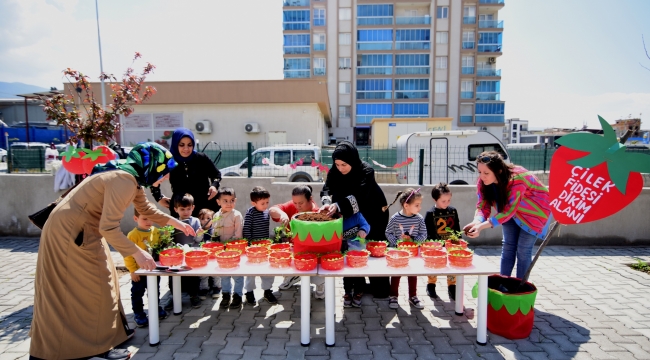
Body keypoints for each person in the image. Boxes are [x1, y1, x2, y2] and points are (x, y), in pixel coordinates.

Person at [29, 142, 196, 360]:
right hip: (71, 235)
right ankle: (85, 350)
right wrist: (138, 253)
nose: (164, 178)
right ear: (152, 165)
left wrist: (177, 223)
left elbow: (146, 209)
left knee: (104, 282)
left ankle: (102, 338)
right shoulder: (123, 180)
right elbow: (108, 228)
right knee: (92, 288)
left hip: (80, 232)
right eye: (163, 173)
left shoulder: (130, 179)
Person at [463, 151, 552, 280]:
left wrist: (481, 227)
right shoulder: (483, 181)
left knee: (523, 250)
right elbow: (483, 205)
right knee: (508, 246)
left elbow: (508, 212)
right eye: (479, 172)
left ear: (498, 171)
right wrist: (477, 221)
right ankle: (503, 282)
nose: (482, 177)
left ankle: (519, 286)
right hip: (509, 210)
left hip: (535, 213)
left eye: (486, 173)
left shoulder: (518, 179)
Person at [320, 141, 391, 299]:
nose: (340, 168)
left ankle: (379, 286)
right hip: (352, 216)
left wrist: (338, 206)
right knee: (354, 247)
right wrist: (327, 204)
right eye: (337, 164)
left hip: (373, 215)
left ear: (352, 160)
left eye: (344, 164)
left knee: (373, 248)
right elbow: (326, 189)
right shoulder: (334, 172)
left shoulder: (366, 171)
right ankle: (356, 286)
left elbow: (360, 196)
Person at [151, 128, 221, 218]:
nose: (186, 149)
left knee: (206, 231)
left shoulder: (201, 158)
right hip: (181, 208)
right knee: (180, 232)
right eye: (181, 145)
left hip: (204, 207)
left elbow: (216, 174)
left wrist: (214, 186)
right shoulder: (169, 161)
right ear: (176, 144)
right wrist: (158, 197)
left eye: (189, 145)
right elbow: (154, 180)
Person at [269, 185, 323, 297]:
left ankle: (321, 283)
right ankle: (293, 276)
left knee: (317, 267)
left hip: (312, 253)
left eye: (301, 203)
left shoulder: (317, 213)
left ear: (310, 199)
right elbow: (272, 210)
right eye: (295, 203)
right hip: (294, 250)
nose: (297, 206)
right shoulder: (293, 205)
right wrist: (282, 214)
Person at [125, 209, 169, 328]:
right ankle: (139, 313)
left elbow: (160, 245)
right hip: (140, 272)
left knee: (154, 290)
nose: (148, 221)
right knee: (137, 293)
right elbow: (128, 254)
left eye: (151, 218)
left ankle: (155, 308)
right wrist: (133, 271)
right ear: (136, 219)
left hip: (153, 270)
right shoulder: (132, 235)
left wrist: (166, 233)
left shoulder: (155, 231)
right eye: (144, 218)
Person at [385, 188, 427, 309]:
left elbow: (424, 234)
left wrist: (414, 241)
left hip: (413, 252)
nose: (420, 208)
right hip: (398, 253)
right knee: (396, 273)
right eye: (417, 205)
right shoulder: (395, 218)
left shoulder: (419, 219)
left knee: (413, 273)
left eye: (420, 205)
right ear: (406, 205)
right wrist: (397, 243)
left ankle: (413, 296)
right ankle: (393, 296)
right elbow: (388, 233)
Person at [423, 183, 459, 301]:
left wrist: (458, 241)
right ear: (435, 199)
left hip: (451, 246)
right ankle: (431, 285)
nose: (447, 203)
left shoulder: (453, 211)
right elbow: (426, 232)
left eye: (449, 200)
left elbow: (457, 228)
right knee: (434, 265)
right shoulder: (430, 213)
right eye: (443, 201)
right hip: (435, 248)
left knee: (452, 266)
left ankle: (452, 286)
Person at [243, 186, 278, 305]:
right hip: (253, 248)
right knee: (251, 271)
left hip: (264, 247)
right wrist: (249, 244)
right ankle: (249, 292)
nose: (265, 205)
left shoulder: (267, 212)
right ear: (254, 203)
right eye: (262, 203)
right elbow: (246, 229)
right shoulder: (250, 213)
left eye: (267, 202)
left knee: (267, 269)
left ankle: (267, 291)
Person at [212, 187, 245, 309]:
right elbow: (214, 232)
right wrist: (215, 242)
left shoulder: (236, 215)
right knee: (224, 274)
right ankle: (226, 295)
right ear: (218, 202)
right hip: (221, 252)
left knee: (237, 274)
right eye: (225, 200)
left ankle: (238, 295)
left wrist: (229, 246)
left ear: (235, 201)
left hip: (234, 250)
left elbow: (238, 234)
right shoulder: (216, 215)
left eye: (231, 200)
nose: (229, 203)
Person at [170, 193, 203, 309]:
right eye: (182, 209)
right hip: (178, 255)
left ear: (193, 208)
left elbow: (198, 240)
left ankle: (194, 295)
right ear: (176, 209)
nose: (186, 212)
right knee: (174, 275)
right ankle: (174, 296)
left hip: (192, 253)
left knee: (193, 275)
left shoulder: (195, 222)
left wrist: (199, 234)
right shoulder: (173, 222)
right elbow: (171, 239)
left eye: (188, 209)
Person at [341, 212, 370, 308]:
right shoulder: (337, 218)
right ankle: (348, 292)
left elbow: (366, 225)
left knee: (359, 273)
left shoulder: (357, 216)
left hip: (358, 249)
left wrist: (363, 230)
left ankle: (358, 292)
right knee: (347, 274)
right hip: (345, 250)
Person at [197, 208, 222, 300]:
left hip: (214, 256)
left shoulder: (215, 229)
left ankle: (217, 287)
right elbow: (197, 241)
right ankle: (204, 288)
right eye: (202, 218)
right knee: (203, 273)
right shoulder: (199, 230)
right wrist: (199, 234)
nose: (205, 221)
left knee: (216, 273)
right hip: (204, 256)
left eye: (208, 218)